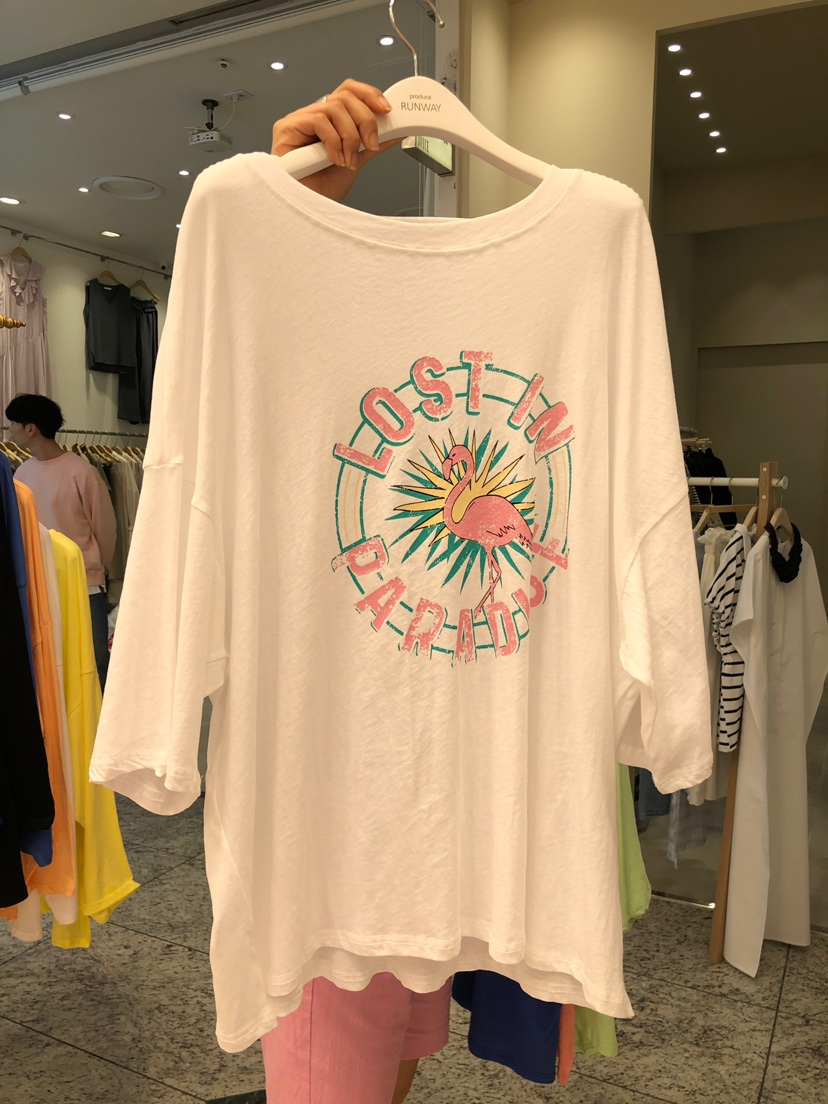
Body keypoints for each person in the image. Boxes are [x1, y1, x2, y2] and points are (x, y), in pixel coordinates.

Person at [258, 81, 447, 1104]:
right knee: (336, 1064)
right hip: (328, 812)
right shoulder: (275, 342)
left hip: (441, 796)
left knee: (402, 1047)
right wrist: (291, 211)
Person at [5, 393, 116, 691]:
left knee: (95, 662)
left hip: (85, 584)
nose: (9, 430)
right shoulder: (22, 473)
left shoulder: (83, 472)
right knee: (54, 664)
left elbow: (105, 529)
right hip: (41, 584)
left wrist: (97, 569)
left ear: (31, 428)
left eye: (13, 423)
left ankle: (104, 720)